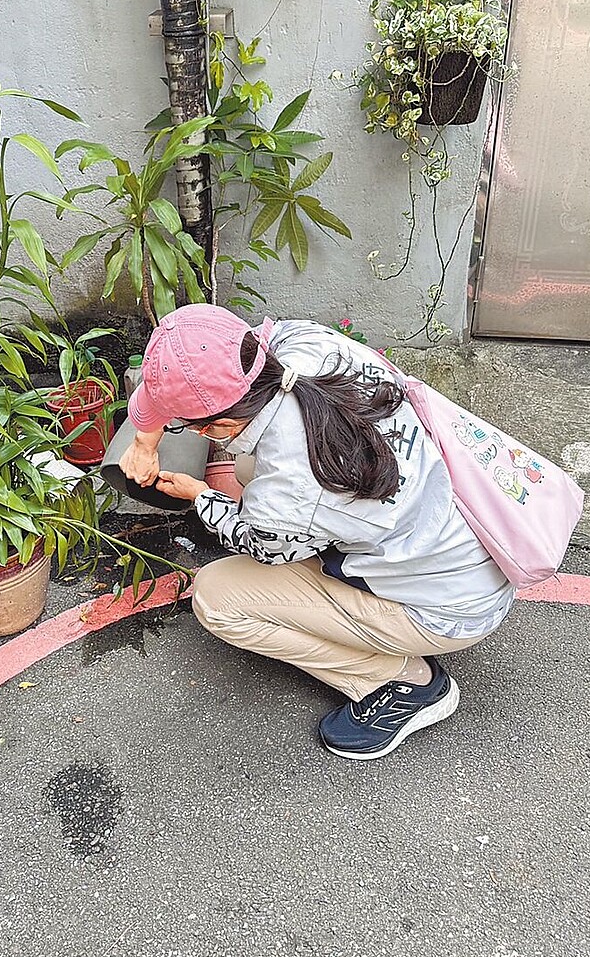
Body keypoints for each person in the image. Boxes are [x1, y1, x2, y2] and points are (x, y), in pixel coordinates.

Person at [119, 305, 516, 761]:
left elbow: (261, 546)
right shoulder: (301, 345)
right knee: (251, 468)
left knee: (216, 597)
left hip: (447, 609)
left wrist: (201, 496)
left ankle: (404, 683)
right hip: (464, 533)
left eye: (179, 425)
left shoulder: (292, 484)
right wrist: (144, 442)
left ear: (219, 427)